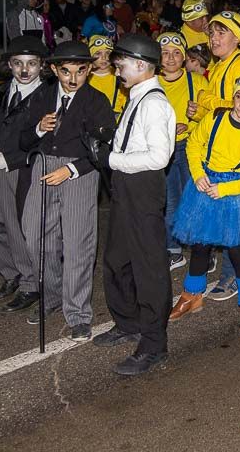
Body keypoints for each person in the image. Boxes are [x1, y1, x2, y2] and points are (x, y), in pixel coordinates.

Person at [18, 41, 116, 341]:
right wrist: (37, 130)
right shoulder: (42, 96)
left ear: (90, 69)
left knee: (77, 244)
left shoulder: (96, 100)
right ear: (53, 69)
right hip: (44, 167)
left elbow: (105, 147)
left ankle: (77, 313)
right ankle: (51, 295)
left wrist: (72, 169)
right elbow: (21, 140)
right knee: (34, 237)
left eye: (81, 71)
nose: (73, 79)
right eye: (65, 71)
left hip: (79, 172)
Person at [94, 34, 176, 376]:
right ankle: (129, 322)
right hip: (126, 187)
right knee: (116, 260)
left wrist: (111, 158)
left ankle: (154, 345)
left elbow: (158, 157)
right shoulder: (136, 97)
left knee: (149, 269)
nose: (117, 71)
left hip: (142, 189)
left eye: (121, 65)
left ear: (141, 65)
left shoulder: (154, 103)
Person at [168, 72, 240, 336]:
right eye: (239, 97)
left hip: (236, 195)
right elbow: (194, 144)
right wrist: (198, 173)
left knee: (237, 250)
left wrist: (225, 188)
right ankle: (193, 294)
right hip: (205, 185)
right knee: (200, 244)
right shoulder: (215, 119)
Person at [191, 11, 240, 301]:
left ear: (238, 37)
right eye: (212, 33)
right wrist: (199, 111)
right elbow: (215, 109)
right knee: (238, 217)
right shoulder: (222, 64)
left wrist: (207, 103)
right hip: (224, 145)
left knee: (238, 218)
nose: (214, 38)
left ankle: (234, 275)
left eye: (221, 33)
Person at [0, 35, 49, 313]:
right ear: (10, 65)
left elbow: (44, 142)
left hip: (20, 169)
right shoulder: (3, 91)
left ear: (42, 66)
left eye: (31, 64)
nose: (24, 70)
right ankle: (12, 272)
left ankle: (31, 283)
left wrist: (9, 160)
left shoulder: (47, 97)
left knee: (16, 227)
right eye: (18, 63)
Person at [155, 32, 194, 270]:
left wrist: (191, 121)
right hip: (164, 149)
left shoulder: (195, 81)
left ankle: (202, 246)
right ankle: (174, 250)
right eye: (165, 53)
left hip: (190, 146)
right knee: (170, 201)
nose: (170, 58)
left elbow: (208, 116)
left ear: (184, 56)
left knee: (195, 196)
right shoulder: (151, 82)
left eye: (176, 53)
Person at [87, 35, 128, 118]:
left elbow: (126, 105)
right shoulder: (85, 77)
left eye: (108, 53)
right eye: (98, 53)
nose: (104, 57)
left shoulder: (119, 76)